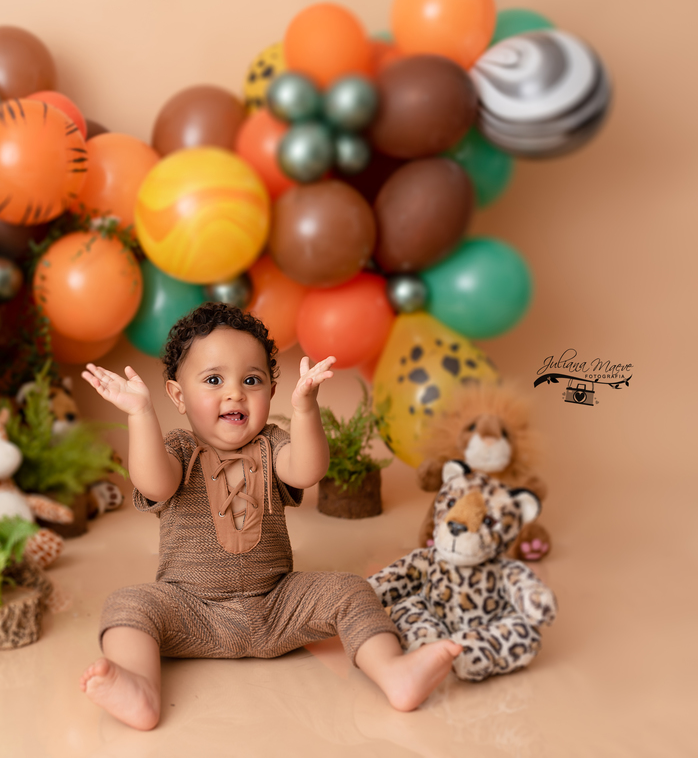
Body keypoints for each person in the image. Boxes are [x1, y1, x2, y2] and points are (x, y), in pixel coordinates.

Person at [79, 303, 461, 730]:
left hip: (278, 605)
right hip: (192, 610)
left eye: (251, 380)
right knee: (128, 605)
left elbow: (307, 470)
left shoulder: (271, 443)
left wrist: (305, 411)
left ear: (271, 391)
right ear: (178, 396)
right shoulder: (179, 449)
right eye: (213, 380)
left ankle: (393, 671)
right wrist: (140, 415)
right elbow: (154, 484)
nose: (235, 393)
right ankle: (140, 689)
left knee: (351, 589)